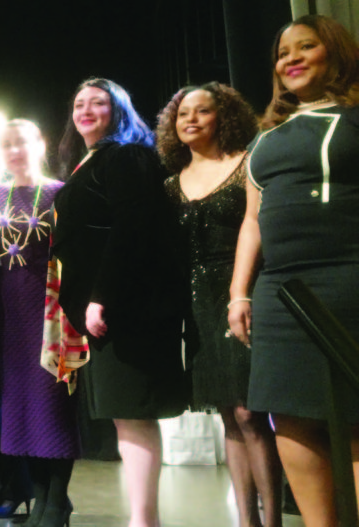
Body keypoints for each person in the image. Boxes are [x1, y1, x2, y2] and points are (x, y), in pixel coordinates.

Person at [228, 15, 359, 527]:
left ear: (337, 54)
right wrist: (240, 293)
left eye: (307, 47)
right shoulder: (266, 137)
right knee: (290, 416)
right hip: (282, 295)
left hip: (347, 281)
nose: (292, 59)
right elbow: (251, 222)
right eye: (284, 53)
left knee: (353, 415)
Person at [53, 78, 187, 527]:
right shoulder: (89, 161)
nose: (86, 109)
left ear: (119, 110)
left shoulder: (126, 156)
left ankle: (144, 520)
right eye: (79, 103)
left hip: (124, 310)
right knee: (124, 418)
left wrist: (100, 297)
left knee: (133, 416)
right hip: (103, 311)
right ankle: (142, 517)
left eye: (99, 102)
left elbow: (132, 230)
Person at [157, 82, 282, 527]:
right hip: (196, 303)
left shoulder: (247, 163)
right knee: (228, 416)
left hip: (241, 290)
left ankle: (273, 522)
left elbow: (257, 227)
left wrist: (240, 291)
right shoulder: (170, 184)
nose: (190, 119)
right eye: (182, 113)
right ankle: (247, 521)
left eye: (202, 111)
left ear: (223, 116)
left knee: (251, 411)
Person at [0, 120, 78, 527]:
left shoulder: (60, 192)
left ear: (39, 144)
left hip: (50, 309)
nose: (14, 150)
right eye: (6, 145)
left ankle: (57, 500)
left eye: (21, 142)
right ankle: (39, 497)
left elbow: (74, 253)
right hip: (9, 313)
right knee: (21, 409)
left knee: (52, 406)